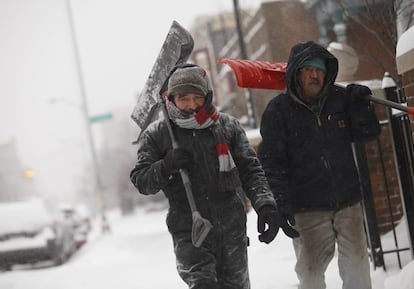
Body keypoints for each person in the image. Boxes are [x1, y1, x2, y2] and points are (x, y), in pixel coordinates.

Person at [130, 64, 297, 289]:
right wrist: (166, 165)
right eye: (183, 98)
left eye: (196, 98)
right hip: (190, 231)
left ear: (207, 96)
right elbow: (141, 181)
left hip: (231, 227)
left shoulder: (227, 126)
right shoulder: (158, 135)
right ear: (171, 98)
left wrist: (265, 204)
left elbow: (250, 169)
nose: (191, 105)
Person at [257, 40, 381, 289]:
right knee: (311, 274)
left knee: (358, 267)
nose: (315, 75)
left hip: (347, 201)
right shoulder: (278, 111)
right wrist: (280, 203)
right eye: (308, 69)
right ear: (296, 73)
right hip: (307, 207)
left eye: (320, 70)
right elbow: (270, 162)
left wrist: (361, 107)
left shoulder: (341, 99)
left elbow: (368, 133)